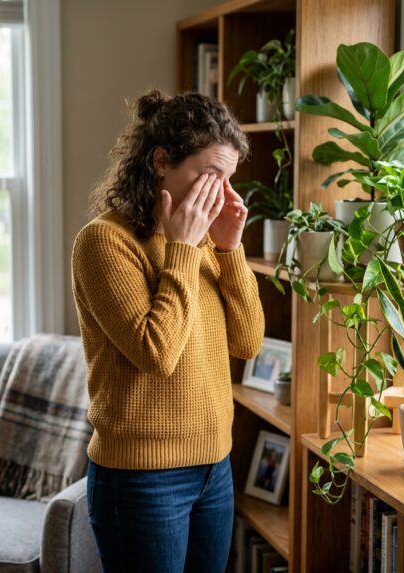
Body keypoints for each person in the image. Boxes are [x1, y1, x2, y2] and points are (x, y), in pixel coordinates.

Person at [71, 89, 265, 573]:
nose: (219, 192)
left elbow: (249, 341)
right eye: (208, 175)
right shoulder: (104, 242)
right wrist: (180, 246)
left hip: (215, 466)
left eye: (228, 179)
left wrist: (230, 250)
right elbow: (157, 354)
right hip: (141, 477)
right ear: (161, 162)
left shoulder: (204, 241)